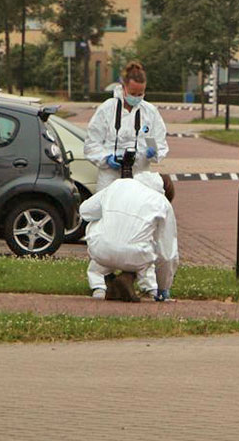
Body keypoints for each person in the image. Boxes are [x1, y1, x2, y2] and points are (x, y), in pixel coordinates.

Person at [80, 172, 179, 301]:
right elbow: (167, 253)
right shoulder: (162, 203)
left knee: (97, 223)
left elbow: (85, 211)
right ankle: (129, 276)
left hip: (101, 251)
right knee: (152, 239)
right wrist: (163, 288)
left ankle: (106, 280)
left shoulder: (117, 185)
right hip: (137, 257)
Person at [84, 61, 169, 192]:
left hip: (140, 178)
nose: (136, 97)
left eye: (140, 94)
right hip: (110, 179)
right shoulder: (107, 109)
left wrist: (152, 151)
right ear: (123, 87)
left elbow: (160, 143)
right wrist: (106, 158)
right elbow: (91, 145)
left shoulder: (150, 112)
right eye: (133, 93)